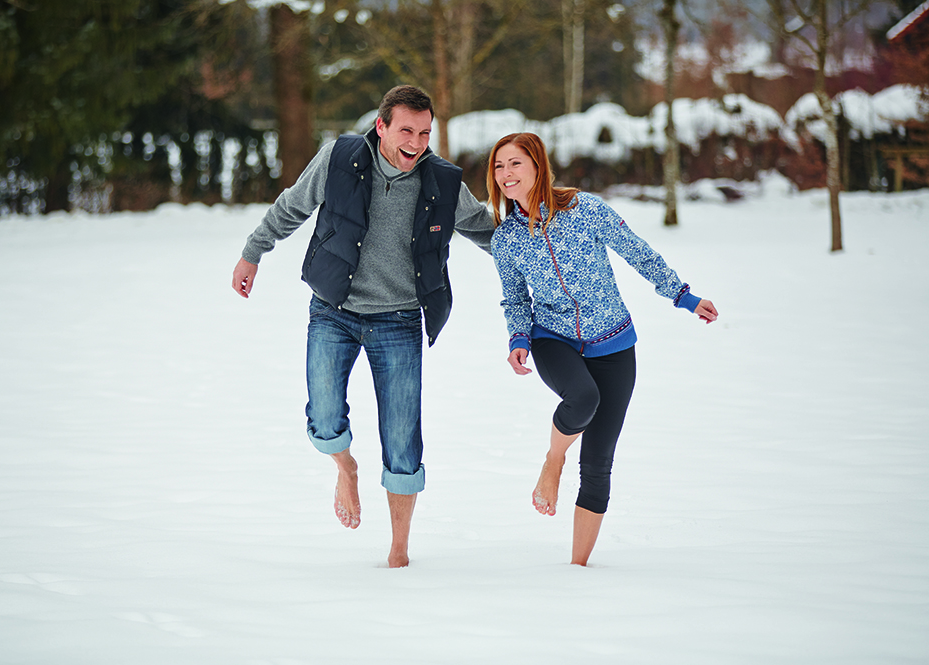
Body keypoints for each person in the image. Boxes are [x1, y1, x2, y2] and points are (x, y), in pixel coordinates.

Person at [232, 85, 493, 568]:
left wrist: (541, 256)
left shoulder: (441, 181)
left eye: (425, 133)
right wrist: (253, 252)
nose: (416, 142)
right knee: (324, 416)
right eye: (406, 131)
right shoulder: (339, 159)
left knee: (402, 439)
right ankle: (345, 467)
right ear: (381, 126)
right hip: (335, 308)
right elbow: (292, 206)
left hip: (399, 318)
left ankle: (398, 551)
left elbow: (485, 229)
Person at [487, 132, 718, 567]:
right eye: (499, 166)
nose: (505, 174)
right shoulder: (506, 239)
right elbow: (515, 298)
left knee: (597, 462)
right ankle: (554, 460)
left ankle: (578, 567)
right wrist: (518, 338)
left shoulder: (584, 209)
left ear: (537, 166)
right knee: (582, 398)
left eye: (515, 163)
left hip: (613, 340)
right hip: (552, 337)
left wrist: (683, 296)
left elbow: (637, 252)